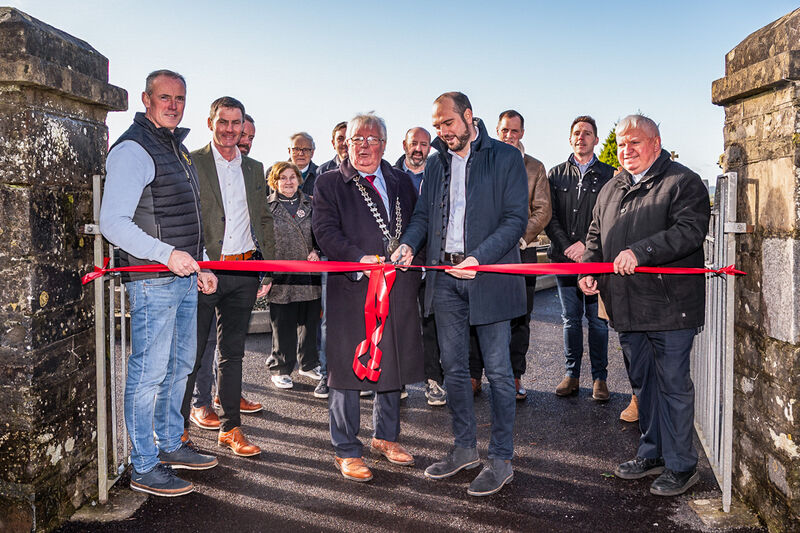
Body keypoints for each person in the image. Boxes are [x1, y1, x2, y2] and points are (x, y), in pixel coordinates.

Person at [393, 92, 528, 497]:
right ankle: (465, 449)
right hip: (444, 279)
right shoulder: (435, 163)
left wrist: (478, 257)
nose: (442, 132)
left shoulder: (505, 158)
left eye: (447, 123)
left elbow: (515, 218)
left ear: (468, 117)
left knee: (500, 372)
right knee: (453, 369)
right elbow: (421, 217)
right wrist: (406, 245)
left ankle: (501, 459)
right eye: (437, 126)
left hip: (488, 274)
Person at [100, 69, 219, 497]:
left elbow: (186, 220)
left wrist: (200, 264)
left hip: (183, 278)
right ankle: (144, 465)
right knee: (149, 375)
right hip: (154, 280)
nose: (173, 105)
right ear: (147, 99)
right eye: (165, 97)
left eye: (180, 98)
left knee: (180, 367)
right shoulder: (133, 149)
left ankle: (170, 444)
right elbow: (112, 222)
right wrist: (168, 255)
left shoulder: (174, 147)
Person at [579, 114, 710, 497]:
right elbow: (595, 234)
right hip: (627, 306)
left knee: (672, 384)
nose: (626, 149)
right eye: (621, 143)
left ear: (656, 143)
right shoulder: (611, 188)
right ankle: (652, 453)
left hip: (671, 307)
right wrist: (588, 268)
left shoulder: (683, 182)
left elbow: (689, 232)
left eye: (635, 142)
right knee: (643, 385)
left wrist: (640, 251)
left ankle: (683, 466)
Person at [313, 113, 424, 483]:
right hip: (352, 287)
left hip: (397, 286)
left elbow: (415, 225)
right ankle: (346, 448)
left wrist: (409, 249)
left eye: (372, 139)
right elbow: (324, 231)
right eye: (356, 139)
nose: (363, 146)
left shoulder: (401, 181)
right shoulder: (329, 182)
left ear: (385, 144)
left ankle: (386, 436)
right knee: (346, 368)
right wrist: (357, 259)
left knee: (391, 360)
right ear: (346, 144)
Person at [184, 96, 275, 458]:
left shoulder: (254, 168)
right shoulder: (192, 161)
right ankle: (179, 433)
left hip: (245, 271)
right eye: (223, 121)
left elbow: (263, 220)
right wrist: (197, 263)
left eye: (236, 123)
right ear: (210, 123)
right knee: (191, 356)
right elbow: (185, 216)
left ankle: (230, 428)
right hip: (205, 271)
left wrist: (266, 267)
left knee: (233, 355)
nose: (229, 129)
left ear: (243, 127)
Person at [470, 110, 551, 401]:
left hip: (520, 253)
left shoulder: (535, 167)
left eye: (514, 131)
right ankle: (473, 374)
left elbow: (543, 210)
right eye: (504, 131)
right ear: (497, 130)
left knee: (520, 317)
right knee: (477, 314)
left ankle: (515, 375)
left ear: (522, 134)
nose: (509, 136)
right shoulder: (481, 162)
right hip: (484, 255)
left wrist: (518, 236)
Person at [545, 116, 614, 400]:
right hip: (563, 259)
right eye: (576, 133)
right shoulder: (555, 173)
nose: (581, 137)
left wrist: (586, 247)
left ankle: (600, 379)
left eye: (587, 133)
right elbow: (549, 217)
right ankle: (571, 375)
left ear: (596, 140)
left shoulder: (610, 175)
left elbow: (611, 218)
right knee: (570, 320)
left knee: (598, 321)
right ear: (570, 138)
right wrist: (568, 246)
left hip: (595, 260)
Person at [265, 161, 322, 388]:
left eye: (292, 177)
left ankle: (308, 363)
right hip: (280, 274)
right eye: (282, 178)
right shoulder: (266, 207)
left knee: (309, 321)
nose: (288, 182)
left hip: (309, 271)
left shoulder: (312, 204)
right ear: (274, 182)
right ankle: (280, 367)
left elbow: (321, 232)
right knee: (283, 322)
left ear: (299, 179)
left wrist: (318, 250)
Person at [312, 121, 348, 400]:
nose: (346, 143)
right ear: (332, 141)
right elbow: (318, 220)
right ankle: (326, 375)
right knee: (329, 320)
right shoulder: (323, 172)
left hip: (361, 258)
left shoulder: (370, 170)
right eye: (340, 138)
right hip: (330, 257)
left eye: (350, 138)